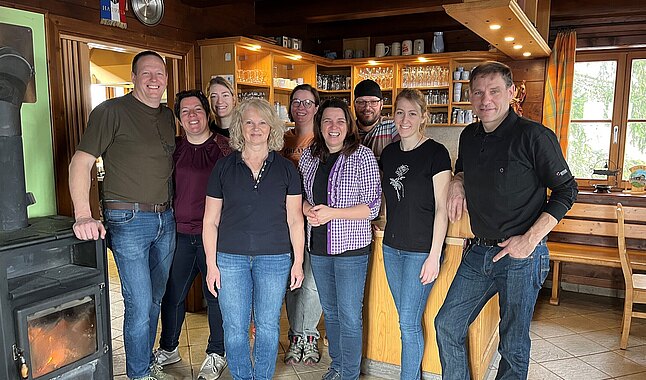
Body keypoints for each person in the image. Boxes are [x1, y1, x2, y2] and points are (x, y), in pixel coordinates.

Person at [434, 61, 578, 380]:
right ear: (470, 97)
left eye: (495, 91)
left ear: (511, 92)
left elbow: (568, 189)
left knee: (512, 344)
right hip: (479, 253)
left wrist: (529, 240)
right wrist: (457, 181)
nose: (486, 100)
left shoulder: (534, 136)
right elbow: (463, 168)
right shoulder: (470, 136)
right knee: (446, 324)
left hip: (522, 256)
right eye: (479, 93)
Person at [69, 51, 176, 380]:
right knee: (139, 303)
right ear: (134, 77)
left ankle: (144, 361)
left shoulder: (168, 116)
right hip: (128, 220)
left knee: (155, 299)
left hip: (166, 220)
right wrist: (83, 215)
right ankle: (139, 373)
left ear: (167, 79)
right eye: (147, 73)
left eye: (160, 73)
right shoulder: (110, 111)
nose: (154, 79)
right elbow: (80, 163)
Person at [202, 98, 305, 380]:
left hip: (275, 259)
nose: (256, 128)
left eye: (262, 122)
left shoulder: (287, 169)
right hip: (229, 259)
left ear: (272, 127)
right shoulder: (223, 168)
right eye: (249, 122)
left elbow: (296, 219)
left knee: (268, 326)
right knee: (234, 328)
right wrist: (211, 264)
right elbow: (210, 221)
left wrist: (298, 262)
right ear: (240, 127)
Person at [300, 98, 382, 380]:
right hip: (319, 247)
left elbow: (372, 207)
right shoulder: (310, 157)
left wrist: (331, 213)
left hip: (351, 250)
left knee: (348, 316)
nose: (333, 127)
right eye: (327, 121)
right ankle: (336, 366)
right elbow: (300, 198)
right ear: (319, 124)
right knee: (331, 313)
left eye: (340, 121)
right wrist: (308, 209)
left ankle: (349, 374)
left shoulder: (362, 156)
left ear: (348, 125)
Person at [153, 90, 230, 380]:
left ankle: (216, 353)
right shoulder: (175, 149)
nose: (192, 116)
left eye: (197, 109)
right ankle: (169, 348)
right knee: (173, 295)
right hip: (180, 235)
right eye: (184, 112)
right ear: (178, 119)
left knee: (215, 296)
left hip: (215, 237)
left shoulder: (224, 148)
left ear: (207, 113)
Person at [380, 89, 451, 380]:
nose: (405, 119)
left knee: (408, 323)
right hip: (391, 249)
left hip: (421, 251)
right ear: (393, 116)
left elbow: (442, 209)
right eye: (399, 112)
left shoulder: (436, 153)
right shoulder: (389, 153)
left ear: (423, 117)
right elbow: (389, 199)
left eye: (412, 113)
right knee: (405, 320)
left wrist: (434, 256)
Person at [281, 84, 323, 366]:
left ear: (316, 108)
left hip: (314, 220)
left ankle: (308, 336)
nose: (302, 107)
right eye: (297, 101)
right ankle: (295, 335)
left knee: (311, 282)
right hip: (281, 221)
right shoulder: (282, 139)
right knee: (291, 282)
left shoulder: (324, 140)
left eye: (308, 102)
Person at [353, 79, 399, 160]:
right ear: (354, 104)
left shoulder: (393, 127)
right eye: (361, 102)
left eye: (373, 102)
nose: (367, 107)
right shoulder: (347, 130)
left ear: (381, 104)